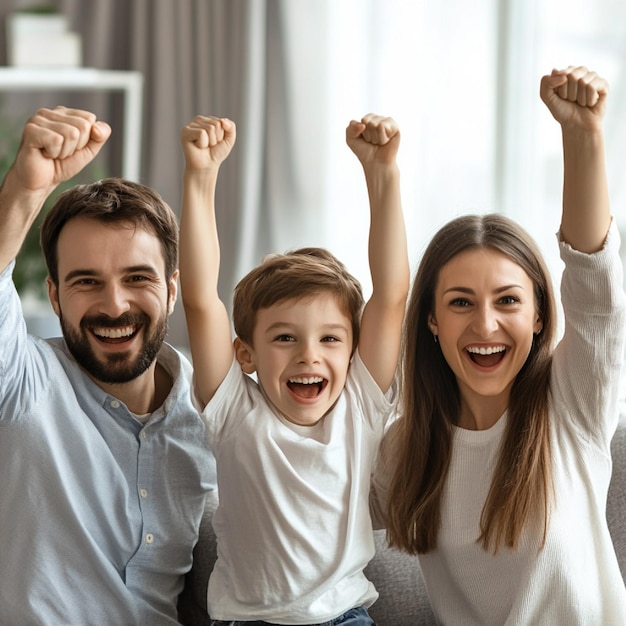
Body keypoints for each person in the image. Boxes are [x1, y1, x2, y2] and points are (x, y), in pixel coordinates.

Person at [371, 65, 626, 624]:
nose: (485, 325)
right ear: (432, 321)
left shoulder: (572, 406)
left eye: (508, 301)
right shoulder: (403, 449)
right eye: (460, 302)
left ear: (539, 316)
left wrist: (582, 136)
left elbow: (597, 290)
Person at [179, 112, 409, 624]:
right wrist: (201, 176)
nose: (309, 355)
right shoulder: (235, 412)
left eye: (330, 338)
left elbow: (391, 296)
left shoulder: (359, 405)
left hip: (346, 618)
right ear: (246, 354)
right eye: (284, 338)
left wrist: (383, 174)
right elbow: (199, 300)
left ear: (352, 352)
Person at [0, 106, 216, 625]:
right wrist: (25, 191)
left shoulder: (215, 409)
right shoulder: (23, 381)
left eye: (138, 278)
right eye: (86, 281)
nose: (115, 305)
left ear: (171, 289)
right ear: (54, 295)